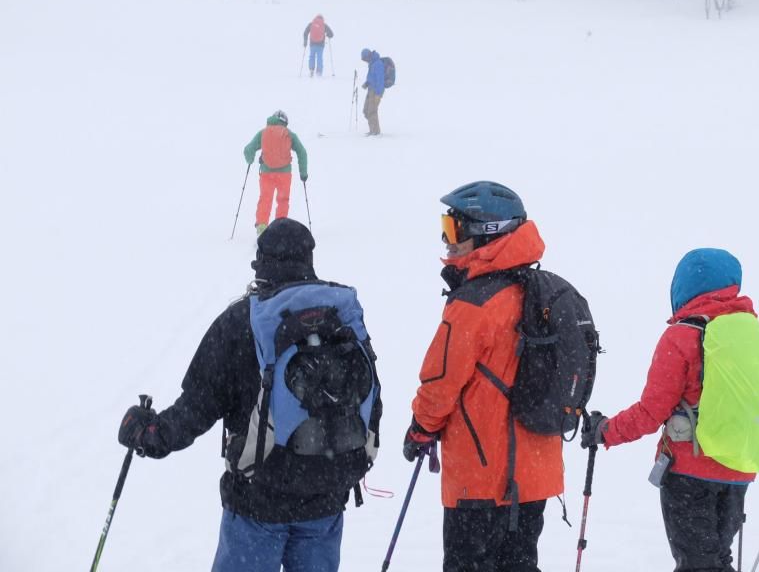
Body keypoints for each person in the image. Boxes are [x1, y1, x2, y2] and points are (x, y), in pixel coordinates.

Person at [116, 218, 382, 572]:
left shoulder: (243, 320)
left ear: (260, 262)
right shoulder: (340, 317)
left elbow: (197, 406)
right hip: (327, 492)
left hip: (259, 499)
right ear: (309, 258)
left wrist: (151, 435)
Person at [403, 181, 563, 572]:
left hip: (480, 480)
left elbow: (440, 384)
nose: (447, 239)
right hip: (533, 475)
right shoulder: (543, 292)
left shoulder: (474, 305)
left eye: (455, 228)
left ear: (486, 232)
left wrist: (420, 430)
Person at [582, 249, 759, 572]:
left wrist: (605, 430)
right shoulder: (754, 335)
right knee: (713, 560)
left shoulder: (681, 336)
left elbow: (651, 412)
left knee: (698, 565)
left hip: (689, 472)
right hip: (739, 470)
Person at [243, 110, 308, 236]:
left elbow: (248, 149)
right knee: (283, 200)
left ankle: (262, 227)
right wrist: (303, 173)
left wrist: (250, 159)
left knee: (265, 199)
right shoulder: (289, 134)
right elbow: (302, 152)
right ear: (285, 122)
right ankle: (280, 227)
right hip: (284, 174)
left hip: (266, 173)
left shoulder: (263, 133)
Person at [360, 48, 385, 136]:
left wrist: (378, 95)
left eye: (365, 59)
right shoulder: (372, 63)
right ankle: (374, 130)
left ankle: (375, 132)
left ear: (369, 56)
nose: (365, 61)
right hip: (370, 90)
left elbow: (380, 80)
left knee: (372, 111)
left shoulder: (378, 64)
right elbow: (372, 77)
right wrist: (367, 83)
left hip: (376, 91)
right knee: (366, 111)